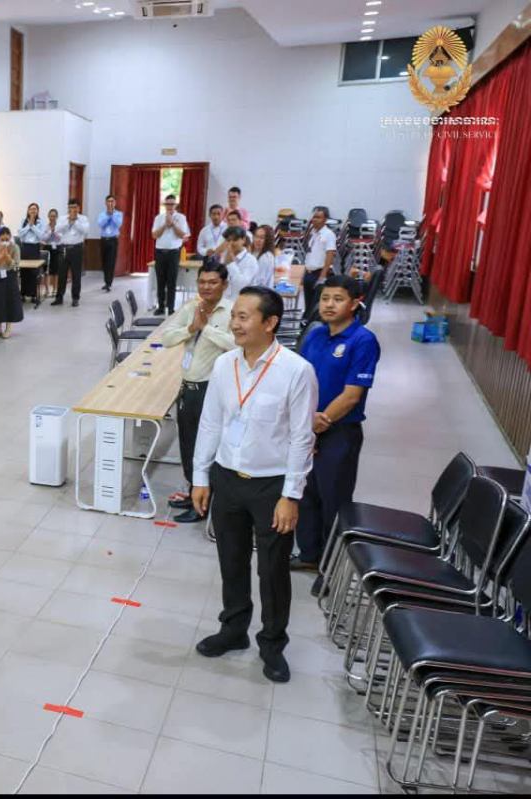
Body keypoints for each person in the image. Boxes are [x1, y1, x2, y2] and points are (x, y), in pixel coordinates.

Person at [190, 287, 318, 684]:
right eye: (235, 316)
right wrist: (200, 476)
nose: (235, 323)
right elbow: (211, 422)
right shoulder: (225, 364)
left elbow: (302, 438)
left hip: (272, 486)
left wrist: (291, 495)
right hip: (228, 478)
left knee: (272, 570)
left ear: (270, 322)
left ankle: (272, 644)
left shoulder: (296, 371)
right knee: (231, 560)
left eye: (244, 317)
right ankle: (233, 630)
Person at [294, 275, 380, 577]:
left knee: (334, 501)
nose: (329, 305)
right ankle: (309, 554)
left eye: (338, 299)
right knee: (306, 494)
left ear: (355, 303)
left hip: (339, 432)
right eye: (325, 298)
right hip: (307, 427)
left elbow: (352, 395)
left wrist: (321, 422)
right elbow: (298, 379)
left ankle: (330, 570)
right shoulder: (315, 335)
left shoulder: (363, 340)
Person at [159, 262, 235, 525]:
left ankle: (203, 504)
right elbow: (167, 338)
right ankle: (194, 492)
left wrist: (205, 328)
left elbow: (236, 345)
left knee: (206, 448)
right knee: (188, 444)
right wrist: (191, 328)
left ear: (224, 284)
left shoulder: (231, 311)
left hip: (211, 390)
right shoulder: (191, 308)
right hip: (188, 387)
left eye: (213, 282)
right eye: (202, 282)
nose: (206, 287)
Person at [151, 195, 190, 315]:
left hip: (174, 252)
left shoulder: (181, 218)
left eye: (172, 204)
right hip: (160, 252)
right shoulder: (159, 218)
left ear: (175, 205)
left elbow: (183, 235)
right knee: (160, 281)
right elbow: (154, 235)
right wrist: (164, 225)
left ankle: (171, 308)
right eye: (167, 204)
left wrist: (172, 224)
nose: (169, 206)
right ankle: (161, 307)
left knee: (171, 281)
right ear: (164, 205)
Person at [52, 198, 89, 308]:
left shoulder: (83, 219)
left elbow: (85, 231)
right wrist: (69, 221)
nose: (72, 209)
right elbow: (57, 230)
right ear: (68, 208)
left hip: (77, 248)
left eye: (74, 207)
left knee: (76, 275)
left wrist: (75, 222)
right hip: (64, 248)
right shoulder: (63, 218)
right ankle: (59, 298)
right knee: (62, 274)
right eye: (70, 207)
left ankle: (75, 298)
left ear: (79, 208)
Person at [303, 206, 337, 321]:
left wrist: (322, 276)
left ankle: (312, 326)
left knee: (315, 307)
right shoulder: (313, 233)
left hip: (319, 274)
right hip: (309, 273)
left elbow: (330, 255)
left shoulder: (329, 234)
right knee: (308, 304)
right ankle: (306, 325)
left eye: (318, 217)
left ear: (325, 219)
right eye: (313, 217)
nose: (314, 220)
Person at [97, 194, 124, 292]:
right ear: (105, 203)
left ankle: (109, 283)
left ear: (115, 203)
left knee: (111, 262)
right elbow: (101, 224)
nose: (110, 203)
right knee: (104, 262)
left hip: (113, 240)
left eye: (112, 201)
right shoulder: (102, 214)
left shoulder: (119, 214)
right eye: (108, 201)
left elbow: (118, 224)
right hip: (104, 240)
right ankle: (106, 281)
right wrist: (107, 216)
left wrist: (112, 214)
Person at [222, 226, 259, 300]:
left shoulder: (251, 260)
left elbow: (241, 285)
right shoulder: (225, 255)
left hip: (242, 301)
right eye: (228, 240)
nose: (231, 243)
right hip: (225, 300)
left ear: (243, 240)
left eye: (235, 240)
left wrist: (231, 264)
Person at [43, 208, 62, 298]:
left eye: (54, 216)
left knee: (56, 270)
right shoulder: (45, 226)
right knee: (46, 270)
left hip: (57, 248)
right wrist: (51, 232)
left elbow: (60, 238)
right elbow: (44, 238)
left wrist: (55, 232)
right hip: (47, 247)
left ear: (57, 217)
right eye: (51, 216)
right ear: (48, 217)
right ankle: (47, 290)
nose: (52, 218)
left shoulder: (60, 226)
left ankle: (55, 289)